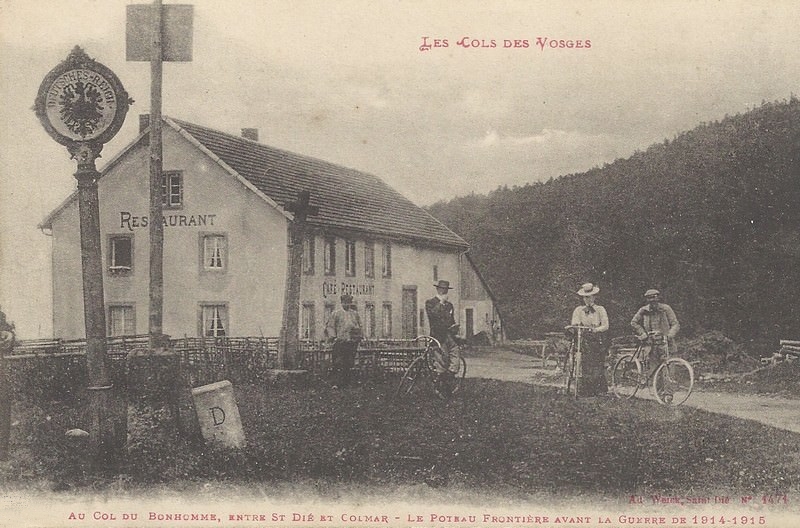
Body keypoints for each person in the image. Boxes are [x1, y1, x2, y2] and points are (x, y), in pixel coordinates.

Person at [630, 288, 680, 401]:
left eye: (655, 298)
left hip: (666, 344)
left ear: (658, 298)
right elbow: (634, 322)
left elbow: (675, 324)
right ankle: (660, 395)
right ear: (647, 300)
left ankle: (668, 395)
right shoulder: (644, 311)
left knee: (668, 370)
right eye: (650, 298)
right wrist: (642, 333)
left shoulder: (666, 309)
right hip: (651, 345)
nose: (653, 301)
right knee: (655, 370)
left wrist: (669, 335)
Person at [567, 282, 610, 397]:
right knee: (585, 363)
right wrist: (576, 326)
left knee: (597, 363)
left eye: (589, 297)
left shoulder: (600, 309)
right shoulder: (579, 310)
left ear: (594, 297)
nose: (587, 300)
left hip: (597, 338)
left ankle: (600, 390)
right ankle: (587, 389)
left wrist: (596, 330)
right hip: (584, 338)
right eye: (585, 297)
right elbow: (575, 323)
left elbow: (606, 325)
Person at [425, 280, 459, 396]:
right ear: (438, 289)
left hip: (449, 336)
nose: (444, 291)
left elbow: (451, 320)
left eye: (446, 290)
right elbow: (432, 315)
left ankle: (449, 376)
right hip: (438, 336)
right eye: (442, 289)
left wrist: (455, 328)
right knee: (441, 363)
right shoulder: (430, 303)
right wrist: (441, 302)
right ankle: (440, 387)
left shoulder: (449, 305)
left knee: (455, 355)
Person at [324, 294, 362, 387]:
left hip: (351, 342)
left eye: (348, 303)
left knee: (349, 363)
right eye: (345, 302)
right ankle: (336, 383)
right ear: (341, 303)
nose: (347, 304)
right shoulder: (336, 313)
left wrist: (358, 336)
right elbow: (330, 326)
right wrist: (333, 337)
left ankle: (346, 383)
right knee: (338, 362)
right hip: (340, 342)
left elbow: (359, 326)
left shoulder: (354, 314)